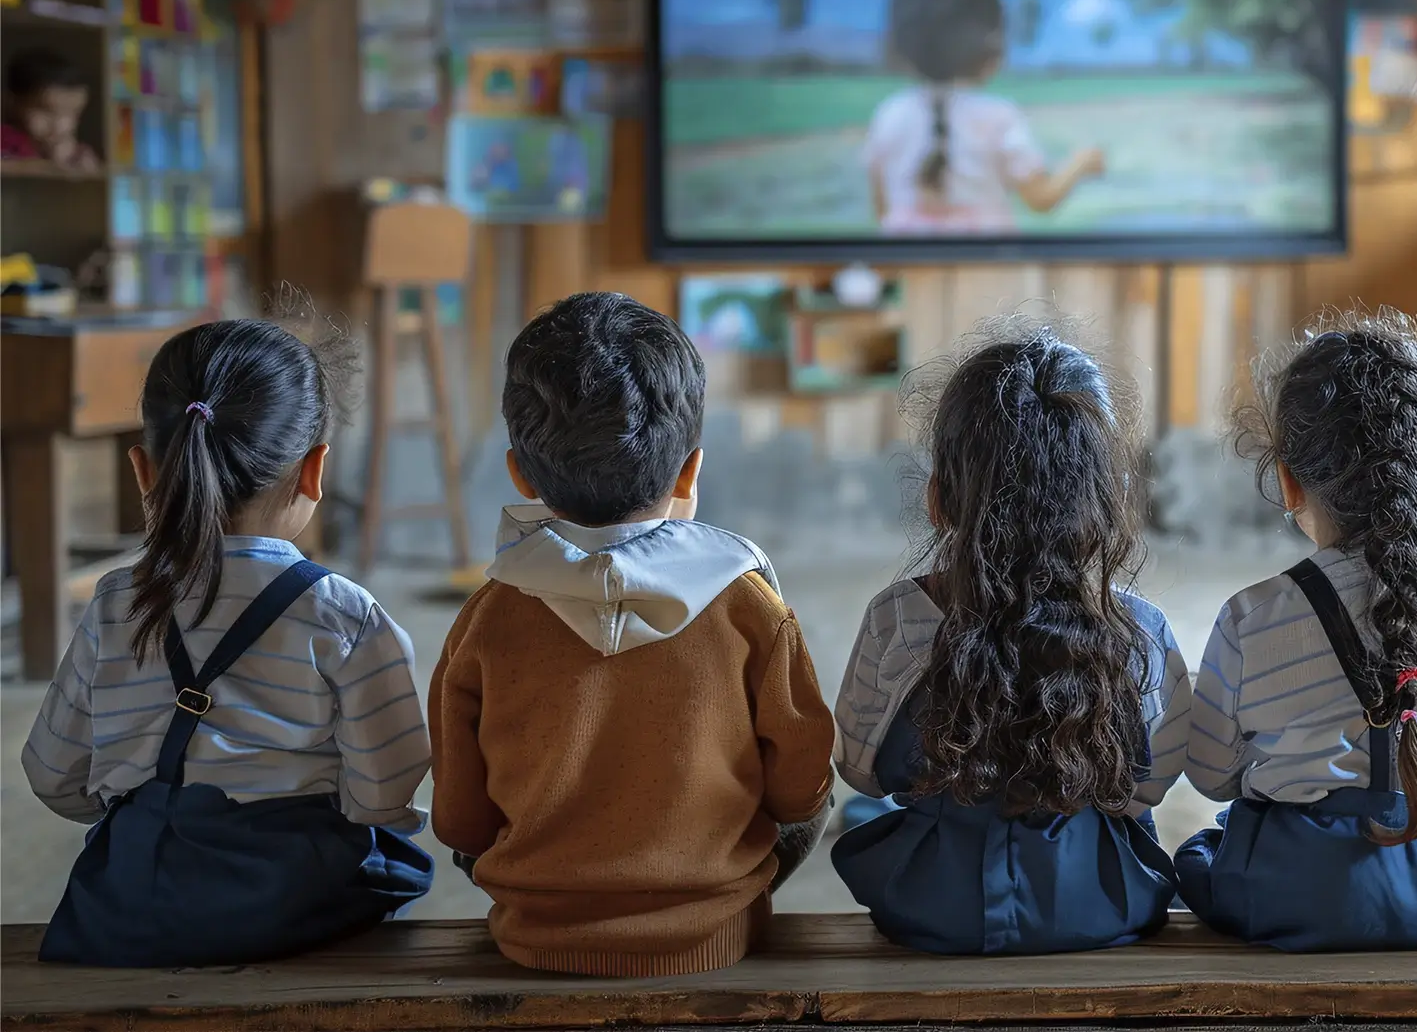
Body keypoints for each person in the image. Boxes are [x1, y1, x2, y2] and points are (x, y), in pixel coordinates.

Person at [430, 292, 835, 975]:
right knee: (815, 800)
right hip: (712, 926)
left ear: (520, 474)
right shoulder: (748, 604)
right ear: (690, 472)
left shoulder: (489, 615)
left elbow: (460, 826)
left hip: (536, 930)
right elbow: (799, 790)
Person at [24, 314, 432, 967]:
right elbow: (382, 794)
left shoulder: (113, 603)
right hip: (299, 900)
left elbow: (52, 774)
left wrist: (144, 808)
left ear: (142, 468)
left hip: (140, 907)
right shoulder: (343, 614)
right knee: (401, 867)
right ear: (314, 470)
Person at [1175, 310, 1417, 952]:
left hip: (1291, 894)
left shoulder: (1250, 617)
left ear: (1289, 483)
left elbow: (1210, 774)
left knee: (1199, 852)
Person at [832, 325, 1190, 954]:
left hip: (931, 907)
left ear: (940, 498)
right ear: (1104, 502)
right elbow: (1149, 787)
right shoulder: (1142, 632)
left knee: (864, 817)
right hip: (1102, 906)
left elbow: (860, 773)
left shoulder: (895, 617)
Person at [864, 0, 1103, 235]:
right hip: (986, 265)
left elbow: (883, 210)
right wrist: (1082, 164)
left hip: (910, 269)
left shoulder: (889, 114)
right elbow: (1041, 199)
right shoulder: (998, 116)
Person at [3, 49, 99, 169]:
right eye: (47, 111)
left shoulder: (75, 152)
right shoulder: (6, 140)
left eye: (73, 113)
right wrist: (51, 166)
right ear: (14, 104)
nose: (61, 125)